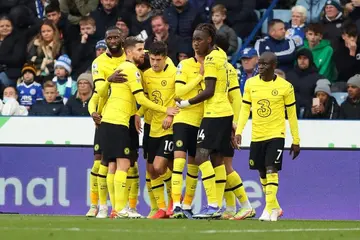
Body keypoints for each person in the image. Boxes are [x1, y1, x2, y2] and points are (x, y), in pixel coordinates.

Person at [96, 36, 178, 219]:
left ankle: (116, 209)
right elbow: (141, 99)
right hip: (118, 122)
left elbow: (100, 93)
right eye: (140, 50)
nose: (144, 53)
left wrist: (101, 109)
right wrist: (167, 110)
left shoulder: (119, 69)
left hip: (109, 120)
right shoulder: (131, 69)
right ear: (129, 51)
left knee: (112, 165)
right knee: (123, 165)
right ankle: (120, 208)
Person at [234, 52, 300, 222]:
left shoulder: (286, 87)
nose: (260, 67)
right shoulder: (250, 84)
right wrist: (239, 131)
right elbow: (244, 110)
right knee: (262, 172)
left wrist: (296, 140)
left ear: (273, 66)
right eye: (260, 63)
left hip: (276, 134)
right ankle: (275, 207)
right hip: (257, 135)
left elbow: (292, 115)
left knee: (271, 169)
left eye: (264, 64)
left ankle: (267, 208)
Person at [176, 23, 232, 219]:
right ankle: (218, 206)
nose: (195, 43)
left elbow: (209, 91)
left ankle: (213, 205)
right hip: (224, 112)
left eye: (199, 39)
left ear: (209, 40)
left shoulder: (210, 59)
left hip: (214, 113)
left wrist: (185, 103)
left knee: (200, 157)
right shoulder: (222, 56)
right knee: (217, 160)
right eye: (193, 39)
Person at [214, 33, 255, 221]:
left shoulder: (227, 69)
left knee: (225, 165)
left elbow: (236, 98)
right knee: (219, 164)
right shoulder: (226, 67)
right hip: (220, 120)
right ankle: (230, 207)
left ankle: (246, 205)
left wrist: (235, 126)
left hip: (225, 121)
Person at [88, 26, 127, 218]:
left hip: (126, 117)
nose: (112, 41)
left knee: (126, 164)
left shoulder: (129, 58)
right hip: (106, 119)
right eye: (109, 37)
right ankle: (99, 205)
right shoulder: (98, 63)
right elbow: (98, 93)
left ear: (122, 38)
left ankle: (122, 206)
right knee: (101, 164)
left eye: (116, 37)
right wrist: (94, 112)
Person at [138, 41, 177, 219]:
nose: (154, 63)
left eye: (158, 59)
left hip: (170, 127)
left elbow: (180, 97)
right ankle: (162, 208)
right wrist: (138, 114)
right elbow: (146, 100)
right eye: (152, 59)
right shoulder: (146, 75)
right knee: (151, 170)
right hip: (152, 127)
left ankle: (175, 200)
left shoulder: (174, 72)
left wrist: (171, 116)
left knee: (159, 165)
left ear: (165, 57)